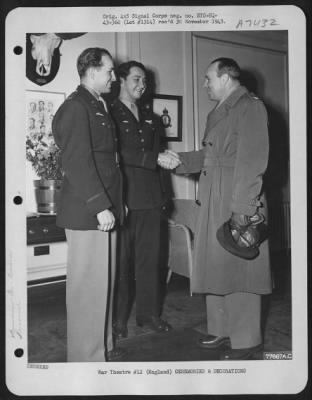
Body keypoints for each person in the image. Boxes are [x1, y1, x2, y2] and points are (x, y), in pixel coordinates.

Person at [162, 58, 271, 360]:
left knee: (240, 268)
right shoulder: (220, 110)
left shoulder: (250, 107)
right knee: (216, 265)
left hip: (236, 197)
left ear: (225, 77)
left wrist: (244, 210)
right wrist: (180, 160)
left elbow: (252, 161)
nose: (205, 83)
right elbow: (212, 157)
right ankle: (222, 330)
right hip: (214, 196)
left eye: (209, 78)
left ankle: (247, 341)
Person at [52, 47, 125, 362]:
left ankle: (101, 348)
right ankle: (85, 361)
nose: (113, 76)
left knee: (102, 285)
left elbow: (107, 162)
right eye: (109, 70)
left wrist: (114, 204)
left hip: (101, 210)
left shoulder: (97, 105)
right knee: (87, 289)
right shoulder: (76, 107)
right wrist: (100, 205)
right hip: (88, 211)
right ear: (92, 70)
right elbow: (77, 162)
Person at [110, 61, 178, 338]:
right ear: (121, 81)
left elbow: (159, 155)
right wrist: (154, 158)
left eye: (145, 81)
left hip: (150, 199)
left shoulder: (151, 116)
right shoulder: (109, 113)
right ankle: (117, 321)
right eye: (136, 79)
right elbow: (117, 153)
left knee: (151, 262)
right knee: (121, 264)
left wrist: (165, 195)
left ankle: (149, 315)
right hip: (123, 198)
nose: (142, 85)